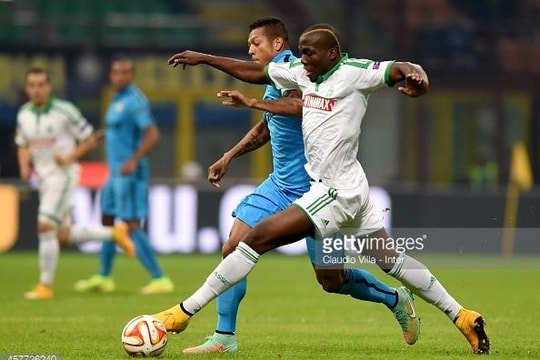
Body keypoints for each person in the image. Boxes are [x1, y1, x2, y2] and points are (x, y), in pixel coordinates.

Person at [154, 23, 490, 354]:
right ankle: (462, 316)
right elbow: (256, 75)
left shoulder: (355, 73)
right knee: (388, 262)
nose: (304, 60)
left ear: (332, 54)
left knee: (259, 243)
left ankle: (182, 313)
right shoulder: (300, 71)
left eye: (309, 54)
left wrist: (418, 77)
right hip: (341, 187)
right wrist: (204, 58)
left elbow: (400, 67)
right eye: (301, 54)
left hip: (332, 193)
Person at [182, 17, 419, 354]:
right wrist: (230, 155)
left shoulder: (297, 69)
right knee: (233, 246)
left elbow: (297, 105)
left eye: (256, 43)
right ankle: (224, 338)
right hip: (279, 186)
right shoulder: (275, 76)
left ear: (278, 44)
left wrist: (207, 61)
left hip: (317, 192)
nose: (250, 49)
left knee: (331, 281)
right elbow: (269, 126)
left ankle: (395, 297)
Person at [15, 67, 135, 300]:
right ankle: (114, 234)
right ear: (27, 88)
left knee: (44, 226)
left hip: (64, 175)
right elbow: (22, 143)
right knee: (62, 235)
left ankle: (45, 286)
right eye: (32, 85)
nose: (37, 89)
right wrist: (23, 166)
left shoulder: (65, 111)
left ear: (49, 87)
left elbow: (90, 138)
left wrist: (69, 156)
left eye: (41, 84)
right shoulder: (23, 115)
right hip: (43, 178)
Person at [74, 57, 174, 295]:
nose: (119, 77)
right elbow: (120, 129)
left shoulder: (134, 101)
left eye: (125, 73)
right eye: (116, 72)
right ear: (111, 75)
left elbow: (152, 134)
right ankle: (104, 276)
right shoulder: (115, 99)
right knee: (108, 220)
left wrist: (134, 159)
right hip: (114, 172)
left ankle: (160, 278)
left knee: (130, 224)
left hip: (129, 172)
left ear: (132, 76)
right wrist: (103, 135)